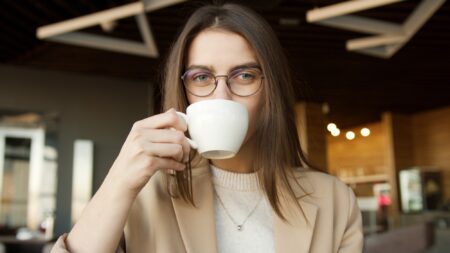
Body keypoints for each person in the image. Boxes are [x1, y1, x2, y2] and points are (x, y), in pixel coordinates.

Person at [51, 2, 363, 253]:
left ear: (271, 90)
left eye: (244, 76)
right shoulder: (147, 194)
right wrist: (119, 181)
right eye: (202, 78)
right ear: (184, 92)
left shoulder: (335, 201)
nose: (221, 95)